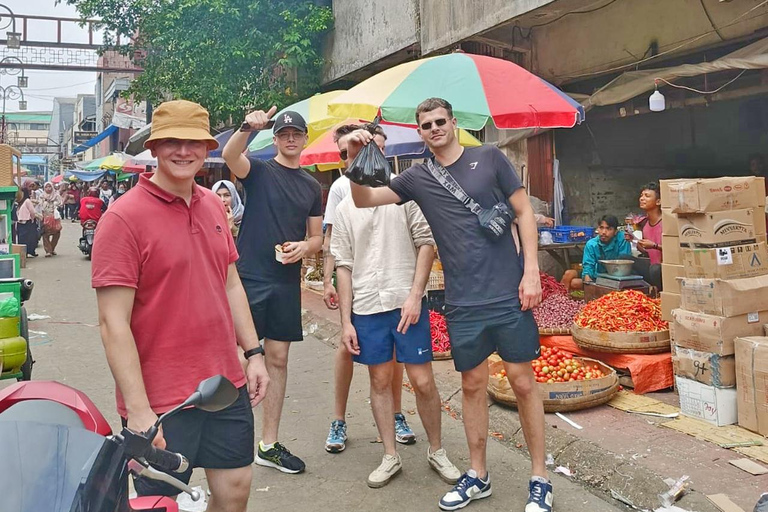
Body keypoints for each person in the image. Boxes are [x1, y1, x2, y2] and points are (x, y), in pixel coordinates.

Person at [347, 98, 550, 512]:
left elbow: (524, 212)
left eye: (441, 121)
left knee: (522, 382)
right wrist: (353, 154)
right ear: (419, 133)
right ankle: (478, 475)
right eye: (427, 124)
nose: (435, 128)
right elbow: (364, 199)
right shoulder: (418, 177)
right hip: (462, 300)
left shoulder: (489, 157)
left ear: (454, 123)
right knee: (473, 385)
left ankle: (540, 478)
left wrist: (531, 271)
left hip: (508, 292)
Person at [91, 100, 269, 512]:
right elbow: (111, 322)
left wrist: (254, 353)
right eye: (172, 141)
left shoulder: (212, 204)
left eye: (194, 142)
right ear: (154, 147)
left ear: (207, 147)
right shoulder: (123, 218)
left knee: (237, 487)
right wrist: (138, 411)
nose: (184, 151)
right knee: (161, 502)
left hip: (224, 384)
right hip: (162, 401)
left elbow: (229, 283)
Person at [331, 126, 460, 488]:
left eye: (365, 148)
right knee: (379, 379)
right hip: (368, 305)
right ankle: (390, 454)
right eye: (349, 152)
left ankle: (437, 449)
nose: (357, 156)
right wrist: (346, 321)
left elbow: (426, 243)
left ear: (381, 153)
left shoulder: (405, 196)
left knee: (422, 380)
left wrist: (415, 294)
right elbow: (343, 264)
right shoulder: (344, 208)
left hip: (406, 304)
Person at [222, 107, 323, 474]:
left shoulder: (312, 186)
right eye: (284, 134)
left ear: (305, 138)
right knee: (238, 356)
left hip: (284, 282)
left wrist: (304, 247)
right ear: (276, 139)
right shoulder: (261, 171)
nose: (291, 138)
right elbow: (231, 156)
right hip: (250, 276)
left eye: (296, 133)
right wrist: (248, 127)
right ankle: (229, 437)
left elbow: (316, 237)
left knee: (278, 359)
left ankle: (268, 443)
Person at [323, 124, 412, 454]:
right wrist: (328, 280)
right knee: (347, 347)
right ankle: (339, 418)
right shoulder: (341, 188)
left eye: (379, 147)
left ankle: (398, 413)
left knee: (394, 354)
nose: (373, 154)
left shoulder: (397, 186)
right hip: (356, 283)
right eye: (357, 149)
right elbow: (334, 239)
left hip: (389, 283)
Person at [581, 215, 632, 281]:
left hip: (620, 278)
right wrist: (589, 284)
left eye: (609, 229)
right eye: (601, 228)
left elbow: (624, 263)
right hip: (598, 278)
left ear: (615, 231)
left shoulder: (623, 239)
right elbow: (588, 266)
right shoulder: (591, 244)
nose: (604, 232)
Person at [40, 182, 62, 257]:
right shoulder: (41, 196)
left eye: (50, 186)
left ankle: (52, 248)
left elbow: (60, 203)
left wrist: (55, 203)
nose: (48, 188)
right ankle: (48, 251)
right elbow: (39, 206)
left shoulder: (56, 195)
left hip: (55, 217)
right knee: (45, 234)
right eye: (46, 187)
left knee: (57, 233)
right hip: (45, 217)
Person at [16, 188, 39, 258]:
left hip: (28, 222)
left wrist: (32, 219)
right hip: (20, 223)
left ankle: (30, 251)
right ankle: (23, 253)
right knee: (22, 239)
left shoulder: (27, 201)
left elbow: (32, 211)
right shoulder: (19, 202)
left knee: (30, 238)